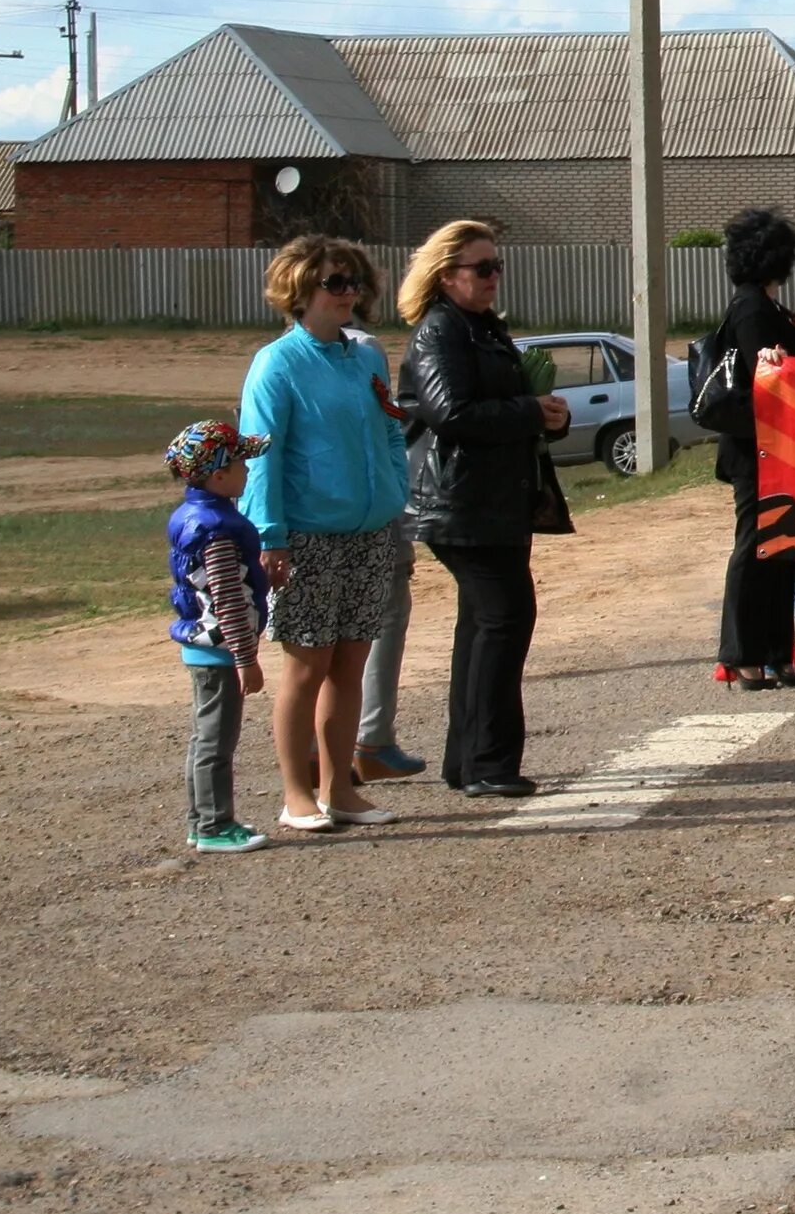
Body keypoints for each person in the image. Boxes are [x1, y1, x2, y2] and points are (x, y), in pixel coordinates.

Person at [241, 236, 414, 834]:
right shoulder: (276, 364)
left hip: (370, 531)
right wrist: (270, 535)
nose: (349, 294)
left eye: (354, 283)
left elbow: (391, 428)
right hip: (308, 537)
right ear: (300, 291)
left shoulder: (367, 356)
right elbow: (261, 455)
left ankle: (340, 789)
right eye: (334, 284)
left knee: (351, 665)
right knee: (306, 669)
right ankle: (296, 795)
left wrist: (394, 489)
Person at [397, 219, 571, 801]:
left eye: (497, 266)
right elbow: (453, 414)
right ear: (447, 275)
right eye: (483, 268)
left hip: (494, 500)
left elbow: (497, 402)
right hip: (460, 503)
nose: (494, 277)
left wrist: (547, 414)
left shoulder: (480, 328)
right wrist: (526, 411)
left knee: (482, 627)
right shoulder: (440, 331)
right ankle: (490, 763)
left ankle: (468, 760)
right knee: (504, 620)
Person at [710, 209, 795, 691]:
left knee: (783, 548)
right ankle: (743, 656)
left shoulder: (769, 306)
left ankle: (778, 654)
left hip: (780, 447)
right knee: (754, 548)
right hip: (755, 448)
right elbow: (765, 376)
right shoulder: (751, 308)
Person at [168, 420, 274, 853]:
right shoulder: (217, 529)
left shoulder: (197, 517)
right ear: (218, 476)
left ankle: (202, 821)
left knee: (204, 739)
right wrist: (246, 657)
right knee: (215, 742)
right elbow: (226, 599)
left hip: (204, 648)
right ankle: (214, 826)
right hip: (219, 652)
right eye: (241, 464)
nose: (248, 472)